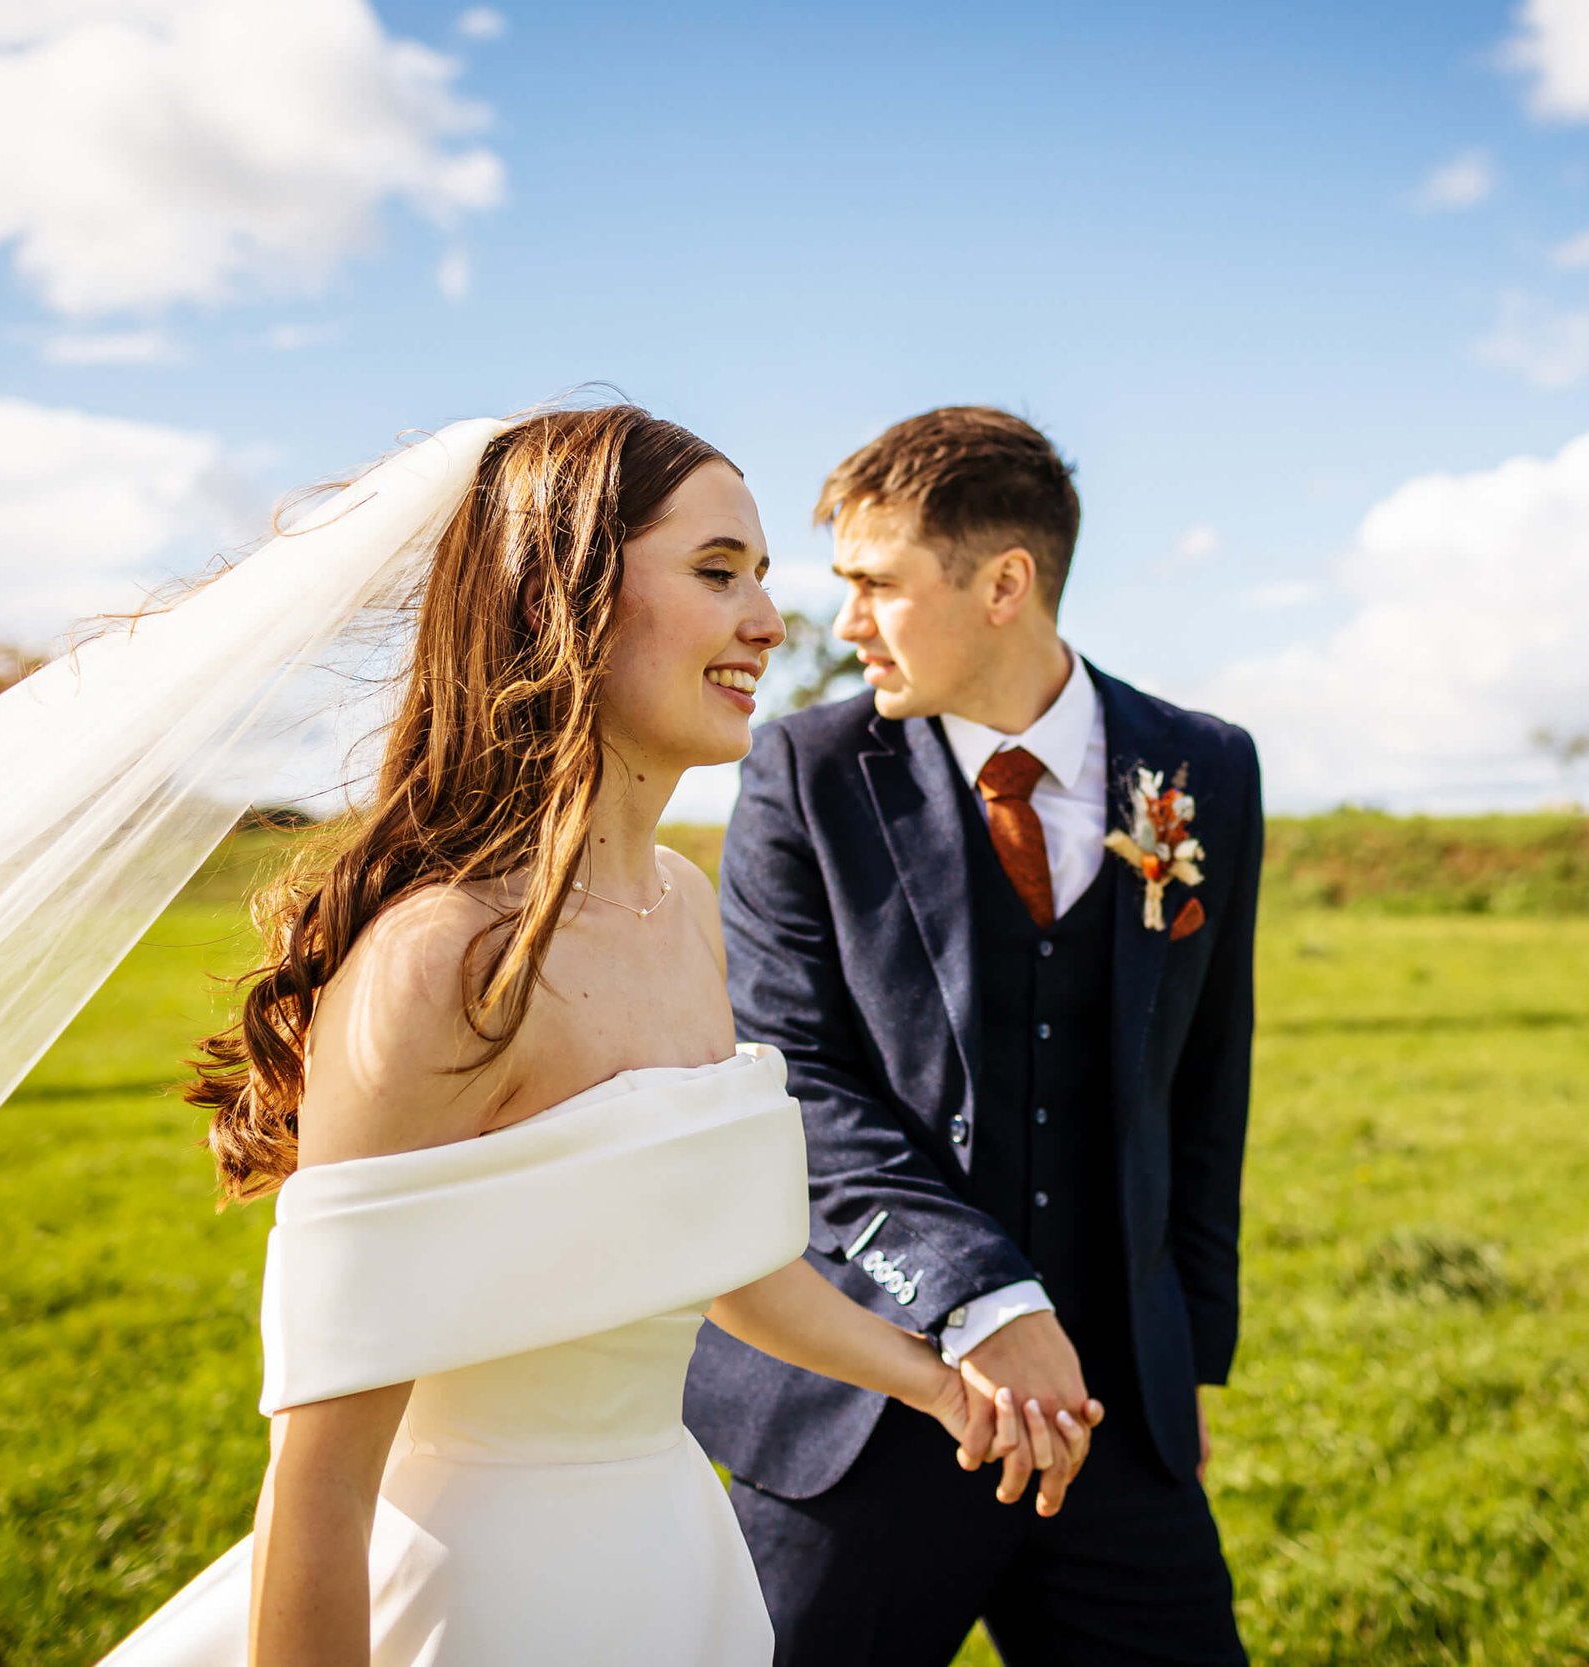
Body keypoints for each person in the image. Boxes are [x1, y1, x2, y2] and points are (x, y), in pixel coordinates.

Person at [96, 404, 1101, 1665]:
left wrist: (941, 1378)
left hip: (668, 1570)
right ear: (556, 603)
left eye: (761, 579)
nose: (769, 623)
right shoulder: (444, 960)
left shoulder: (681, 905)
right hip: (479, 1597)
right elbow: (320, 1480)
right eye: (715, 572)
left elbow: (724, 1260)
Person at [684, 406, 1263, 1664]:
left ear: (1005, 582)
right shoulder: (802, 770)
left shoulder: (1205, 766)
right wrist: (978, 1298)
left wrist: (1186, 1371)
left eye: (876, 584)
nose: (839, 626)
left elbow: (1208, 1088)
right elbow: (795, 1085)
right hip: (864, 1411)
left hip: (1111, 1418)